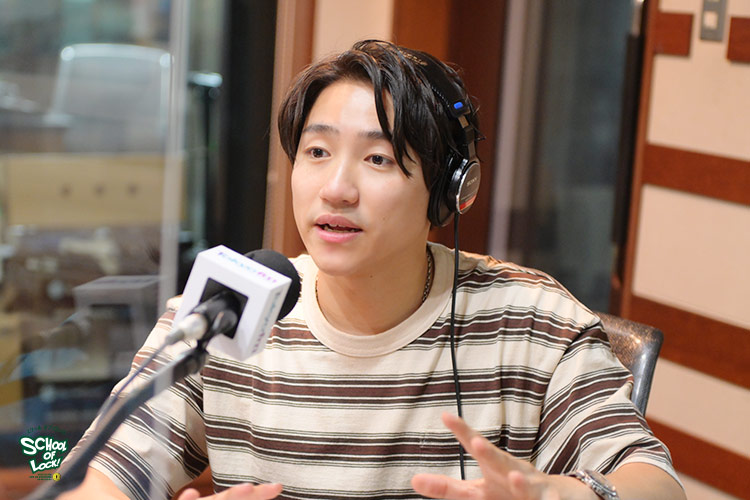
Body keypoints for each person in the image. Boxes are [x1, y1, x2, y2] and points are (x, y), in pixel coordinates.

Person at [62, 40, 685, 500]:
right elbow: (94, 480)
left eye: (379, 159)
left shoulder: (532, 322)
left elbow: (654, 484)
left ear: (449, 191)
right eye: (317, 151)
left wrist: (560, 495)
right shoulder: (226, 312)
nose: (335, 188)